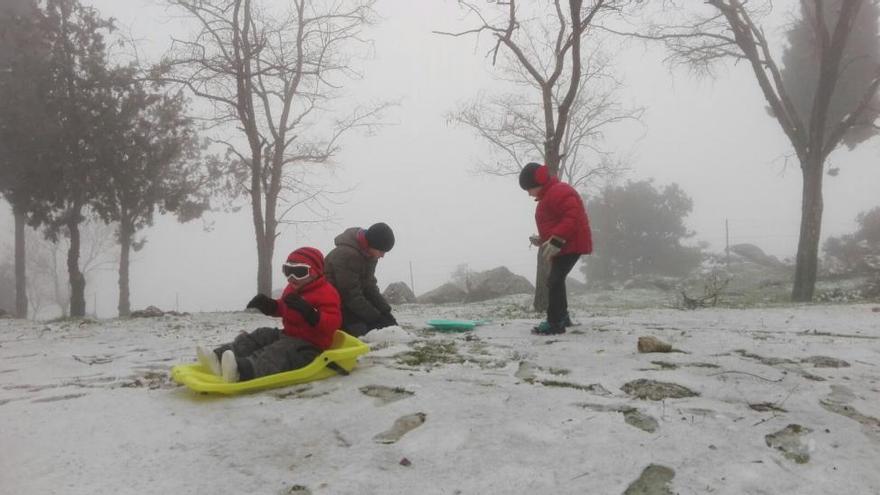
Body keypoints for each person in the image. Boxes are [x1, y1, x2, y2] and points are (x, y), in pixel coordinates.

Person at [196, 247, 342, 382]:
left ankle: (243, 371)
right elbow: (284, 308)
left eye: (299, 272)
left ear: (315, 272)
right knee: (262, 334)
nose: (291, 277)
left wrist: (311, 314)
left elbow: (333, 322)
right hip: (288, 335)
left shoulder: (326, 293)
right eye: (287, 270)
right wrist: (271, 306)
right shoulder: (292, 288)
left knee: (279, 351)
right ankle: (218, 357)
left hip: (310, 347)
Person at [519, 162, 592, 335]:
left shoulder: (559, 191)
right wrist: (544, 239)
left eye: (529, 189)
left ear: (538, 183)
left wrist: (557, 239)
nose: (529, 194)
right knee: (556, 280)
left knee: (554, 280)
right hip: (564, 246)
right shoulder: (551, 195)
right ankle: (562, 317)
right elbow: (557, 223)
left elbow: (572, 217)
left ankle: (554, 323)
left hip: (571, 244)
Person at [324, 222, 398, 337]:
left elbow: (369, 285)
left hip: (351, 303)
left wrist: (385, 311)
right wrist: (376, 317)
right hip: (333, 305)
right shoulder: (347, 254)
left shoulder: (370, 254)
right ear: (371, 244)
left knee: (382, 328)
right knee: (364, 332)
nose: (382, 256)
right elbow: (350, 294)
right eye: (381, 251)